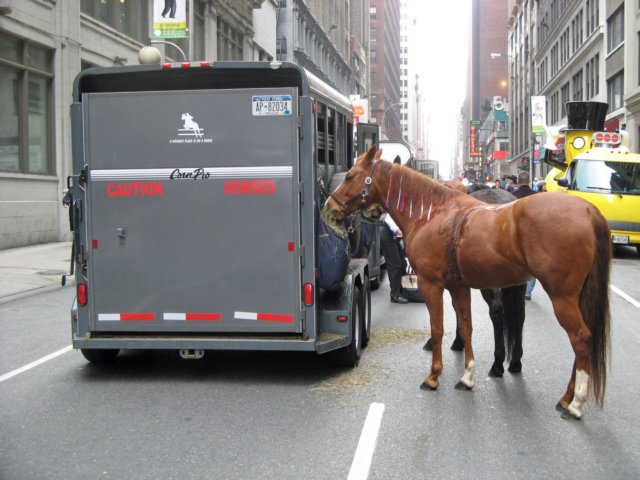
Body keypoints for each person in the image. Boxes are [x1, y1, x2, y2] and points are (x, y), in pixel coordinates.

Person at [513, 171, 537, 300]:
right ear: (529, 180)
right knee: (533, 264)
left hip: (515, 235)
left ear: (517, 181)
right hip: (533, 235)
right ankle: (528, 291)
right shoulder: (536, 197)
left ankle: (518, 287)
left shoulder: (512, 196)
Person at [380, 213, 409, 304]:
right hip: (387, 234)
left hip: (394, 237)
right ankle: (395, 295)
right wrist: (398, 230)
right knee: (395, 265)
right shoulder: (398, 203)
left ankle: (402, 290)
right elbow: (389, 219)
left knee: (403, 263)